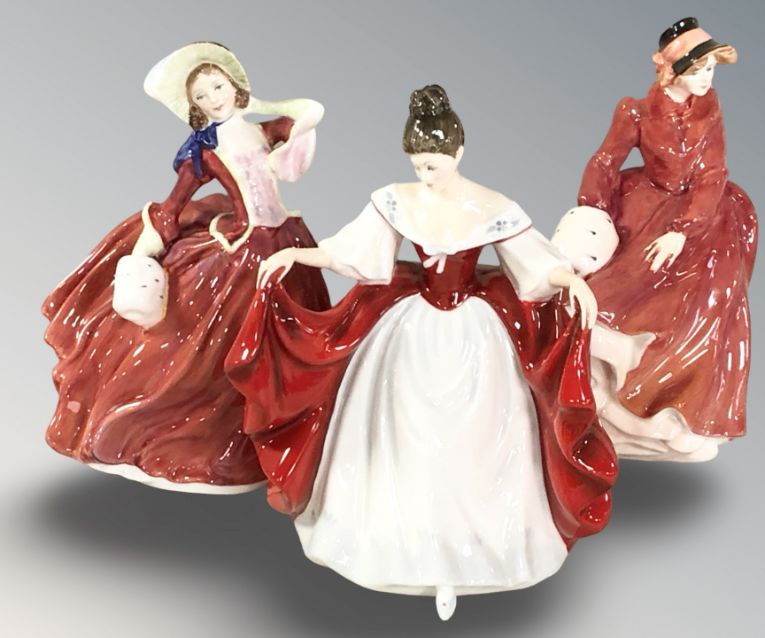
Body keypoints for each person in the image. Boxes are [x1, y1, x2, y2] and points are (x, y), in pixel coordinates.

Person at [226, 85, 617, 619]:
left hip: (476, 333)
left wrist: (569, 280)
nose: (424, 174)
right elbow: (352, 251)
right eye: (417, 164)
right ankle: (396, 544)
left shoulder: (492, 205)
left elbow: (533, 262)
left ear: (457, 152)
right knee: (397, 428)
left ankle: (476, 548)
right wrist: (297, 254)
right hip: (409, 328)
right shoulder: (397, 199)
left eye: (432, 164)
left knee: (480, 435)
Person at [43, 42, 330, 493]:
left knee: (286, 346)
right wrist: (144, 251)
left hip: (286, 245)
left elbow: (311, 113)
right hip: (244, 252)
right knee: (218, 353)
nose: (214, 98)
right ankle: (217, 440)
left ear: (234, 86)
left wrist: (263, 103)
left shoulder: (266, 130)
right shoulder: (204, 153)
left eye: (218, 86)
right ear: (194, 107)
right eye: (202, 95)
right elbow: (171, 208)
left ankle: (283, 435)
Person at [576, 18, 758, 461]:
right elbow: (604, 161)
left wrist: (683, 230)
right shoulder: (634, 112)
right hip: (647, 203)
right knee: (628, 285)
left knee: (714, 293)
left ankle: (678, 409)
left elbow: (713, 173)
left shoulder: (709, 108)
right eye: (698, 70)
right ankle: (612, 383)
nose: (707, 79)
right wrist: (592, 210)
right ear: (672, 70)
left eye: (711, 69)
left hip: (706, 212)